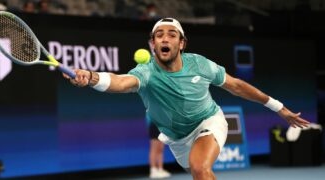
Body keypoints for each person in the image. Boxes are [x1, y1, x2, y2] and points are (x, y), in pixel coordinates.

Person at [63, 18, 310, 180]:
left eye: (172, 35)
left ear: (181, 43)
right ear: (152, 44)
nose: (165, 39)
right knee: (200, 172)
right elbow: (120, 82)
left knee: (201, 169)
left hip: (208, 122)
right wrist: (93, 77)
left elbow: (236, 86)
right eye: (159, 35)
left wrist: (279, 108)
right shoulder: (146, 72)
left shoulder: (199, 64)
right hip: (177, 139)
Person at [146, 114, 171, 179]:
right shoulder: (151, 106)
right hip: (154, 125)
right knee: (154, 148)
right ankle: (153, 170)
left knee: (160, 149)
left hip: (162, 126)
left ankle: (160, 169)